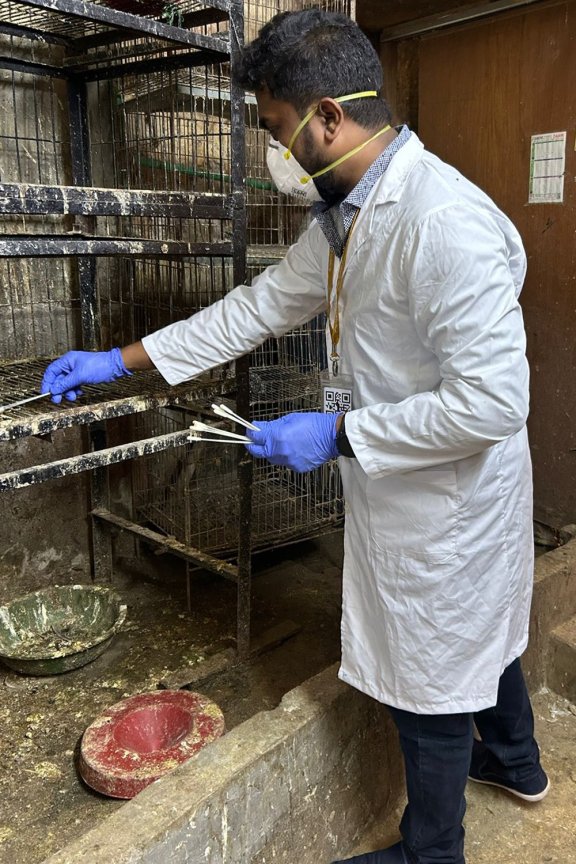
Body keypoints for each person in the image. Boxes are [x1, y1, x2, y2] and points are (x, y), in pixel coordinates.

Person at [41, 10, 549, 864]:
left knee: (432, 665)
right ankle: (518, 764)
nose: (275, 154)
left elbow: (495, 403)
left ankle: (433, 852)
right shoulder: (348, 216)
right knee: (480, 633)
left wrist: (340, 433)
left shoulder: (440, 221)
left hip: (449, 494)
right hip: (421, 484)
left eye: (276, 130)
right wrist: (121, 360)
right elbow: (258, 308)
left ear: (326, 118)